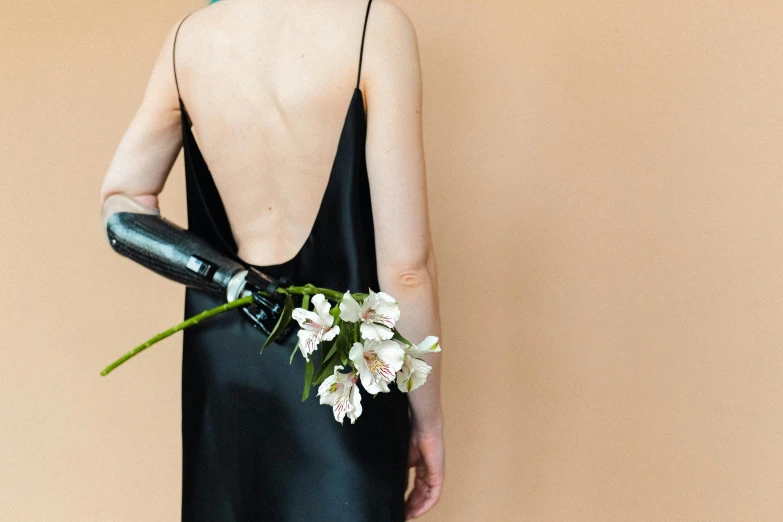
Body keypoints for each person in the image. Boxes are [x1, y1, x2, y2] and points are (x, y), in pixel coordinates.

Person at [98, 0, 444, 520]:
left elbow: (122, 209)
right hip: (340, 371)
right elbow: (407, 269)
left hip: (229, 374)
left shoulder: (187, 40)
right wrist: (427, 418)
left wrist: (232, 280)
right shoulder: (375, 27)